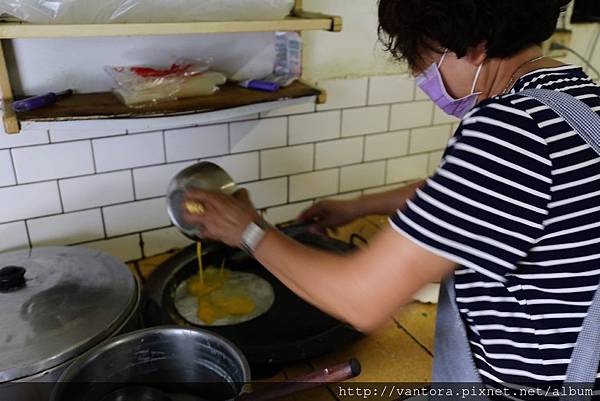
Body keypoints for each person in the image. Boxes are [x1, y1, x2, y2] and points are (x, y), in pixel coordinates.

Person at [184, 0, 600, 398]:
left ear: (477, 47)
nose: (422, 79)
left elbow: (360, 298)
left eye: (423, 62)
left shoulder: (511, 129)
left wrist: (247, 230)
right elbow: (473, 202)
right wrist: (358, 207)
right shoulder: (578, 103)